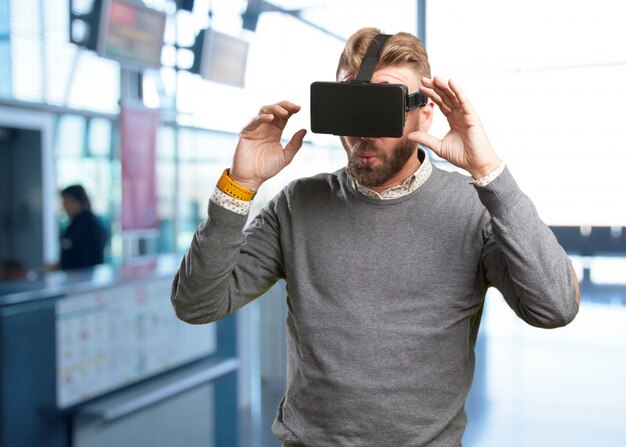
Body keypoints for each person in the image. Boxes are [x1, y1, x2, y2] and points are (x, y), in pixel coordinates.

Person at [171, 27, 580, 446]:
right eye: (353, 104)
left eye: (384, 105)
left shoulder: (473, 208)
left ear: (425, 113)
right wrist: (239, 186)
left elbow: (556, 307)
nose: (365, 130)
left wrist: (489, 173)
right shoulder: (298, 204)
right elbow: (196, 303)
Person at [57, 184, 107, 270]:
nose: (64, 208)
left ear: (76, 201)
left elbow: (88, 260)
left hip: (84, 279)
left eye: (66, 203)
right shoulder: (74, 225)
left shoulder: (89, 226)